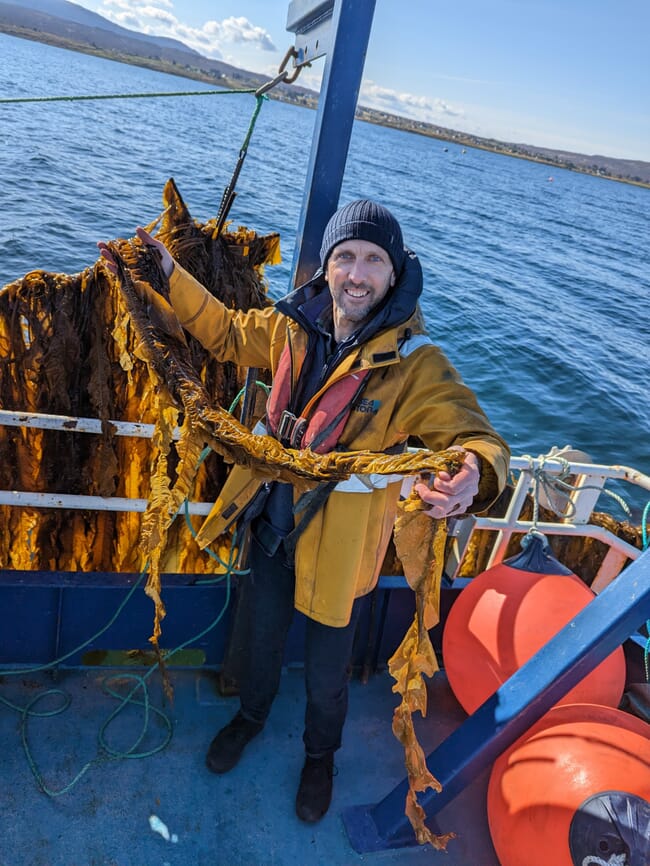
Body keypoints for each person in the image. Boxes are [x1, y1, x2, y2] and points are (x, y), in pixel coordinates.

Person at [99, 199, 509, 823]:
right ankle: (250, 718)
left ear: (395, 274)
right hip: (271, 525)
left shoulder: (414, 366)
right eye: (345, 256)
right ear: (327, 265)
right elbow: (228, 331)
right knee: (259, 639)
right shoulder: (294, 325)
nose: (357, 273)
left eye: (374, 260)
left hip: (340, 554)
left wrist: (471, 473)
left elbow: (476, 437)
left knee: (328, 672)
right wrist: (166, 273)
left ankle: (321, 757)